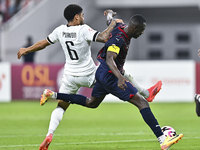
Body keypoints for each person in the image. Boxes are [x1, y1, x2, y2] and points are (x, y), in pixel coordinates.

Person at [17, 5, 161, 150]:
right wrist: (113, 22)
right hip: (89, 74)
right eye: (82, 15)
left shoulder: (59, 31)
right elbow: (105, 37)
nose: (84, 18)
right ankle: (145, 94)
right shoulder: (83, 29)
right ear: (77, 17)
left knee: (62, 106)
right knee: (118, 72)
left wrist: (26, 49)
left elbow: (43, 43)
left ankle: (49, 133)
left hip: (69, 76)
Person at [41, 13, 183, 150]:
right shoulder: (119, 39)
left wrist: (109, 14)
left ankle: (53, 95)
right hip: (110, 76)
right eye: (141, 30)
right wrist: (120, 78)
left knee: (92, 103)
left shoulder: (120, 27)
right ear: (134, 28)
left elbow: (111, 21)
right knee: (142, 102)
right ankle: (162, 140)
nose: (142, 33)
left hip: (101, 73)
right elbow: (110, 59)